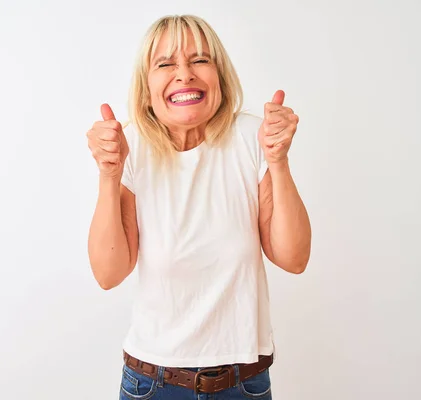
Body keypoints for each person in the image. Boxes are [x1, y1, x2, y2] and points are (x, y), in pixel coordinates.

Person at [87, 14, 311, 400]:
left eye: (200, 60)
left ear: (220, 76)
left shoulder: (251, 138)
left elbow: (293, 258)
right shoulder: (132, 147)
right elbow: (109, 274)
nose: (184, 74)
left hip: (243, 383)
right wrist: (110, 174)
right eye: (165, 64)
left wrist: (278, 160)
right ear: (146, 89)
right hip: (151, 384)